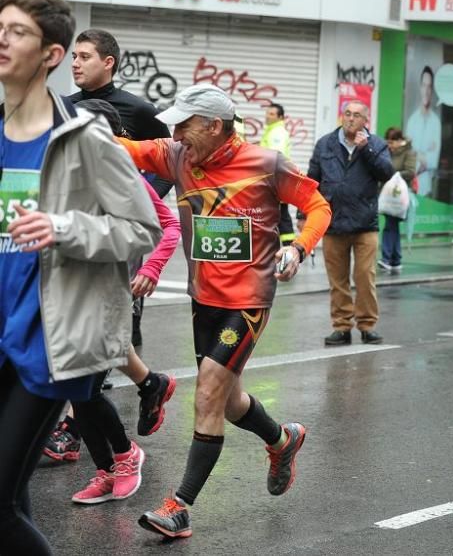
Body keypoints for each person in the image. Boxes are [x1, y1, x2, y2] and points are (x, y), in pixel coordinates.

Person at [117, 83, 332, 539]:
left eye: (184, 124)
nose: (175, 133)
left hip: (248, 300)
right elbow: (127, 149)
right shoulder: (176, 155)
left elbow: (317, 206)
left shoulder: (265, 163)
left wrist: (299, 249)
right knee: (229, 401)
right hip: (204, 299)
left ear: (215, 126)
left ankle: (180, 506)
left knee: (208, 393)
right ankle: (282, 439)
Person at [0, 0, 161, 553]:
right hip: (0, 332)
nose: (2, 39)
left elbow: (145, 228)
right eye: (1, 27)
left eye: (17, 31)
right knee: (13, 500)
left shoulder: (84, 137)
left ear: (50, 53)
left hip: (48, 336)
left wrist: (64, 228)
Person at [64, 98, 181, 505]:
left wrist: (150, 269)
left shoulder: (123, 174)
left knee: (86, 389)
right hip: (73, 294)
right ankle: (107, 468)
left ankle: (126, 455)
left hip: (113, 292)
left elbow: (169, 226)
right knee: (78, 390)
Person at [69, 28, 172, 348]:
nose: (75, 63)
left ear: (108, 62)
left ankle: (116, 375)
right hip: (77, 224)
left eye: (84, 57)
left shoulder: (140, 110)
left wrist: (139, 198)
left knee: (125, 321)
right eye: (74, 56)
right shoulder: (61, 107)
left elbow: (168, 164)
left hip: (122, 232)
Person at [308, 100, 394, 346]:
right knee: (338, 281)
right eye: (347, 114)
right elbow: (312, 180)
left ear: (365, 120)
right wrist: (305, 213)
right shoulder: (325, 143)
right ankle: (342, 327)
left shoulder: (376, 144)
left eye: (356, 115)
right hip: (332, 222)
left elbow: (386, 173)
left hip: (365, 223)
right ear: (341, 116)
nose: (350, 119)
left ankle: (367, 326)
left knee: (365, 277)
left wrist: (366, 149)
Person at [379, 127, 417, 273]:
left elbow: (411, 172)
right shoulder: (387, 152)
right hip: (387, 194)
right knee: (392, 225)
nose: (389, 145)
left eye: (392, 142)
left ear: (400, 141)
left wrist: (393, 174)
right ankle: (395, 260)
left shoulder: (409, 152)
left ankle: (387, 258)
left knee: (390, 225)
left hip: (399, 195)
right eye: (387, 142)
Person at [260, 103, 295, 247]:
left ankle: (287, 249)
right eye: (267, 113)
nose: (267, 116)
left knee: (279, 216)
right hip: (276, 182)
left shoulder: (277, 133)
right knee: (281, 216)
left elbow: (274, 158)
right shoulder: (271, 131)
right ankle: (287, 247)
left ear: (280, 117)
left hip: (275, 183)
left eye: (272, 114)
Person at [405, 66, 441, 197]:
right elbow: (408, 155)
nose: (426, 90)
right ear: (420, 87)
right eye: (424, 85)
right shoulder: (412, 121)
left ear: (432, 90)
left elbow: (434, 160)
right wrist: (424, 156)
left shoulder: (436, 122)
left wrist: (418, 154)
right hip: (411, 187)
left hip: (427, 188)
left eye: (429, 86)